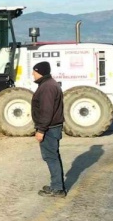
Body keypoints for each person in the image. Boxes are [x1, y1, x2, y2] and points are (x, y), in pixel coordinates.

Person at [31, 61, 66, 197]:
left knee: (51, 157)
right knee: (53, 156)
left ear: (40, 71)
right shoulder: (49, 84)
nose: (32, 74)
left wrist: (41, 130)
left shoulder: (47, 87)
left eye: (34, 71)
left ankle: (57, 189)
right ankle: (56, 185)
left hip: (49, 128)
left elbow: (46, 111)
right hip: (51, 127)